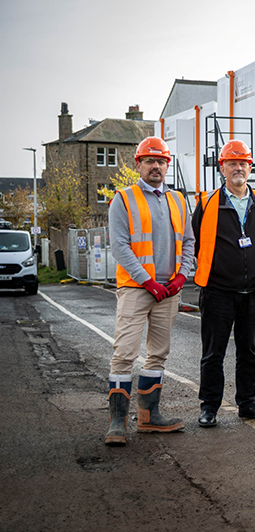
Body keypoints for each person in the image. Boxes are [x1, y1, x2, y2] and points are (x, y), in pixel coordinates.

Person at [105, 137, 195, 446]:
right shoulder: (123, 199)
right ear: (139, 164)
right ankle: (117, 422)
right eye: (149, 161)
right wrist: (147, 281)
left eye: (161, 161)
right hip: (136, 288)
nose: (155, 166)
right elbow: (119, 246)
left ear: (167, 165)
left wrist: (182, 276)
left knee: (158, 354)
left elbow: (189, 242)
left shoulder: (178, 200)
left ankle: (148, 416)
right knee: (124, 354)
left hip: (168, 290)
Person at [192, 140, 255, 427]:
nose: (238, 168)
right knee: (213, 353)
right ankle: (209, 406)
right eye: (232, 163)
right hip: (218, 291)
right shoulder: (207, 203)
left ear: (250, 167)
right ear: (223, 168)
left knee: (249, 352)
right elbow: (197, 241)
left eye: (243, 163)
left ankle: (248, 403)